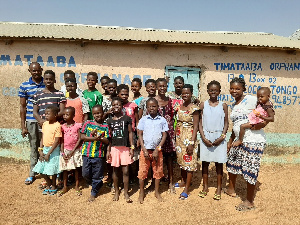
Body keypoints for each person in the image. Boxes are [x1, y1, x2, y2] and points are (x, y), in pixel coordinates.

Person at [226, 77, 268, 211]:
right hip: (238, 139)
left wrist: (261, 124)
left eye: (237, 88)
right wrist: (230, 140)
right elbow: (235, 125)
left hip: (252, 140)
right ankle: (231, 189)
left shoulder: (251, 99)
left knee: (250, 169)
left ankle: (249, 201)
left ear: (243, 89)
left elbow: (267, 107)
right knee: (232, 162)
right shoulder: (233, 105)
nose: (234, 91)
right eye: (232, 88)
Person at [198, 80, 229, 200]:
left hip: (219, 137)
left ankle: (218, 187)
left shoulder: (223, 105)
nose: (213, 92)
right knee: (205, 163)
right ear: (207, 91)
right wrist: (203, 137)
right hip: (206, 136)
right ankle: (205, 187)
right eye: (211, 90)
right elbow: (200, 122)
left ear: (219, 91)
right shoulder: (203, 104)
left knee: (219, 164)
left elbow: (226, 122)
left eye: (216, 90)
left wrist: (222, 136)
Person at [137, 98, 168, 203]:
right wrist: (144, 149)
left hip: (157, 151)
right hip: (145, 150)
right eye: (149, 106)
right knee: (142, 171)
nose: (151, 108)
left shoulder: (162, 120)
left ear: (158, 107)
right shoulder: (144, 120)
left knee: (158, 171)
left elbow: (164, 135)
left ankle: (156, 191)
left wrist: (157, 149)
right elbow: (140, 134)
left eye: (154, 106)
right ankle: (141, 192)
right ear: (147, 108)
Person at [19, 62, 45, 185]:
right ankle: (32, 173)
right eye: (33, 70)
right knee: (34, 147)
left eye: (38, 70)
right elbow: (22, 107)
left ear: (41, 70)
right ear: (29, 71)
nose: (36, 72)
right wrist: (23, 126)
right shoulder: (24, 86)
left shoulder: (47, 83)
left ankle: (46, 172)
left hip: (45, 122)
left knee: (45, 146)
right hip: (31, 121)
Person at [174, 84, 200, 200]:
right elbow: (177, 122)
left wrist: (192, 142)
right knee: (181, 161)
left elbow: (195, 127)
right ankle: (183, 182)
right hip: (179, 138)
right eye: (183, 93)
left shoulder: (194, 108)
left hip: (189, 138)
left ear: (191, 94)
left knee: (189, 163)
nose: (185, 95)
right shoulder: (179, 107)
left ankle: (186, 189)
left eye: (187, 93)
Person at [106, 97, 134, 203]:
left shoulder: (126, 119)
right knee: (115, 171)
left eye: (118, 104)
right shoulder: (109, 120)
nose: (116, 106)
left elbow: (130, 133)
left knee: (126, 171)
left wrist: (132, 146)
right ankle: (117, 190)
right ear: (111, 107)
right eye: (114, 105)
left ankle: (126, 192)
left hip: (125, 148)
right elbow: (108, 137)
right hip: (114, 148)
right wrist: (108, 151)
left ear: (122, 106)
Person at [80, 105, 109, 202]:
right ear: (92, 114)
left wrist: (100, 138)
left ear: (102, 113)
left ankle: (94, 192)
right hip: (86, 153)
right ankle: (96, 184)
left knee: (97, 174)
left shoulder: (105, 126)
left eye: (99, 113)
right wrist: (94, 138)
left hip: (99, 155)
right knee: (85, 173)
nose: (97, 115)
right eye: (95, 113)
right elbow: (82, 137)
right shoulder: (88, 123)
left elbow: (108, 141)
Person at [33, 106, 62, 195]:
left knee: (52, 170)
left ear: (55, 115)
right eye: (45, 114)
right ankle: (48, 183)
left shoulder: (57, 125)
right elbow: (42, 138)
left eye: (48, 114)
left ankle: (53, 185)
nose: (46, 115)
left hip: (53, 150)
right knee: (41, 168)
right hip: (45, 149)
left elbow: (57, 141)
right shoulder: (45, 124)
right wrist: (41, 150)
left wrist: (49, 153)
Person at [155, 78, 176, 193]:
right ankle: (157, 180)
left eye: (164, 86)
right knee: (157, 157)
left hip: (168, 133)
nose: (162, 88)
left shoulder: (170, 101)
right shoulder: (153, 101)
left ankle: (171, 182)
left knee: (169, 158)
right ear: (157, 87)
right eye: (160, 86)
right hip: (157, 133)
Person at [58, 107, 83, 197]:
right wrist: (62, 152)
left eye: (67, 114)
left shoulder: (77, 126)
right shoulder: (62, 127)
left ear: (73, 115)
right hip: (65, 150)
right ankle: (65, 186)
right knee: (65, 170)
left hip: (75, 150)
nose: (65, 116)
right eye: (64, 114)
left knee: (76, 169)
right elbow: (61, 141)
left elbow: (80, 138)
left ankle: (77, 186)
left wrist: (73, 151)